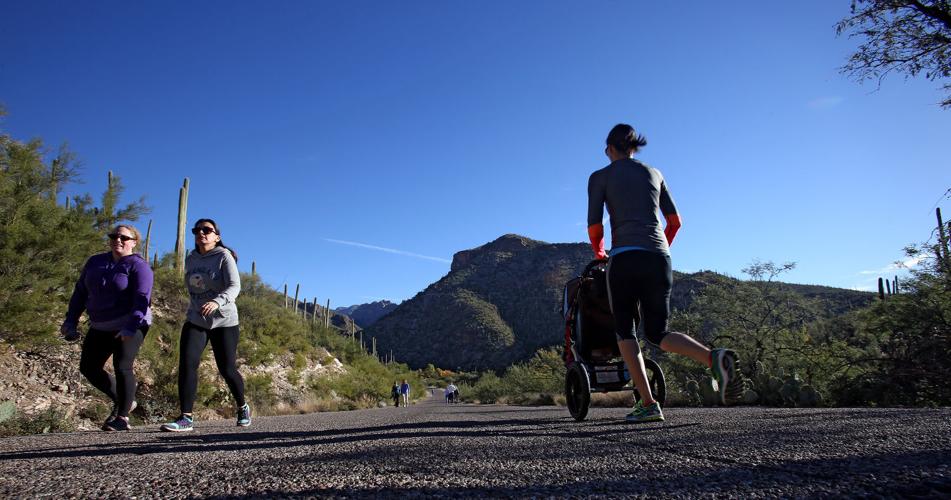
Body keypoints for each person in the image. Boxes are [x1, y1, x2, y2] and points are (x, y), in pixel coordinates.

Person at [587, 123, 743, 423]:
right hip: (660, 258)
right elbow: (675, 221)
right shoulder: (655, 174)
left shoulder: (601, 177)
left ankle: (648, 403)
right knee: (658, 332)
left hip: (624, 258)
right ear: (634, 147)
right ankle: (712, 357)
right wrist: (660, 249)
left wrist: (600, 252)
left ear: (610, 148)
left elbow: (595, 225)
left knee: (625, 330)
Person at [62, 224, 153, 431]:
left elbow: (142, 299)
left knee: (123, 365)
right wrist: (71, 321)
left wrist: (131, 327)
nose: (118, 240)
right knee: (88, 367)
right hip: (101, 324)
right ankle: (125, 401)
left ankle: (122, 417)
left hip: (133, 322)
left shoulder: (139, 266)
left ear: (134, 242)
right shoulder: (96, 262)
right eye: (114, 236)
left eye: (124, 237)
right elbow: (80, 293)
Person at [161, 219, 250, 432]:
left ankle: (242, 406)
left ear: (216, 236)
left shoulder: (223, 256)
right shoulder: (191, 259)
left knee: (227, 368)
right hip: (196, 319)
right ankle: (186, 418)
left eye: (207, 230)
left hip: (224, 320)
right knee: (187, 364)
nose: (201, 233)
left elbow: (234, 286)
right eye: (197, 230)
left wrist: (216, 301)